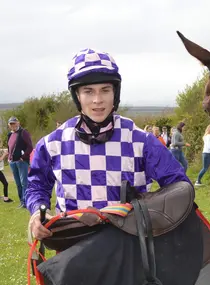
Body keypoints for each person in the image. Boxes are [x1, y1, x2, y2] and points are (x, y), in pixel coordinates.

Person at [26, 48, 190, 240]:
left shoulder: (141, 140)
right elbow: (36, 185)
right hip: (71, 248)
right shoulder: (52, 142)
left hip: (127, 248)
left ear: (115, 93)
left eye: (105, 90)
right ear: (77, 96)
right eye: (88, 91)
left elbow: (179, 187)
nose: (98, 100)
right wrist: (37, 212)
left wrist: (146, 209)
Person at [7, 117, 33, 208]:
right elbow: (9, 147)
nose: (13, 125)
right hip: (12, 162)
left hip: (21, 162)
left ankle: (26, 202)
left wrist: (23, 157)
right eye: (11, 124)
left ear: (18, 123)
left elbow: (30, 147)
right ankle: (22, 201)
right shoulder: (10, 134)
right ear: (9, 125)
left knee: (24, 183)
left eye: (14, 123)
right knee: (18, 183)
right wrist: (9, 158)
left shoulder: (23, 132)